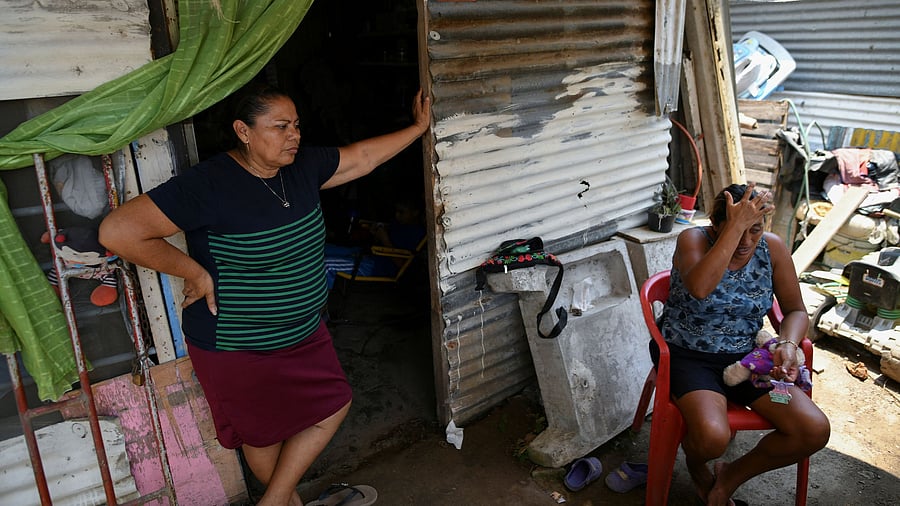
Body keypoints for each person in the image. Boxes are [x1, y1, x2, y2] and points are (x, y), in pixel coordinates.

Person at [99, 83, 431, 506]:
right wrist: (193, 271)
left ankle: (273, 502)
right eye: (279, 127)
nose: (293, 135)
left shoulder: (303, 166)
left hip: (303, 331)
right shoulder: (211, 184)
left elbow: (363, 158)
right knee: (262, 434)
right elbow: (119, 230)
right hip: (239, 342)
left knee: (333, 405)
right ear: (243, 130)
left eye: (296, 125)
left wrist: (419, 128)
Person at [657, 183, 830, 505]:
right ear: (716, 224)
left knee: (813, 429)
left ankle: (729, 478)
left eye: (756, 229)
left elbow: (794, 310)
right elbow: (700, 288)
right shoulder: (693, 240)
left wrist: (789, 343)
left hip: (748, 358)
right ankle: (696, 464)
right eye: (739, 229)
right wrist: (734, 228)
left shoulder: (773, 248)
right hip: (689, 353)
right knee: (712, 438)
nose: (747, 242)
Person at [323, 198, 425, 289]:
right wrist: (376, 235)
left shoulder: (417, 234)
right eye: (396, 211)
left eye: (401, 212)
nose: (397, 215)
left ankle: (318, 307)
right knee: (321, 249)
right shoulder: (397, 224)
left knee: (326, 265)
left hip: (378, 266)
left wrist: (385, 240)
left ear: (415, 213)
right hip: (368, 254)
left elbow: (401, 264)